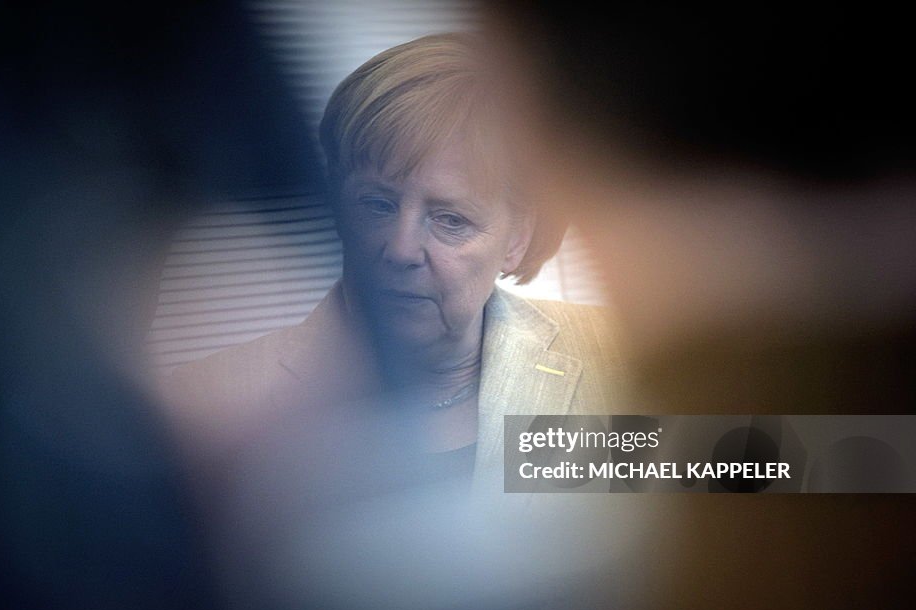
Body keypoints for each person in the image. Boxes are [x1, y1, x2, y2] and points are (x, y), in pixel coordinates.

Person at [162, 33, 630, 496]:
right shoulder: (203, 411)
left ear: (517, 239)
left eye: (450, 219)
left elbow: (692, 527)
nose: (401, 249)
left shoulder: (626, 362)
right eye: (377, 204)